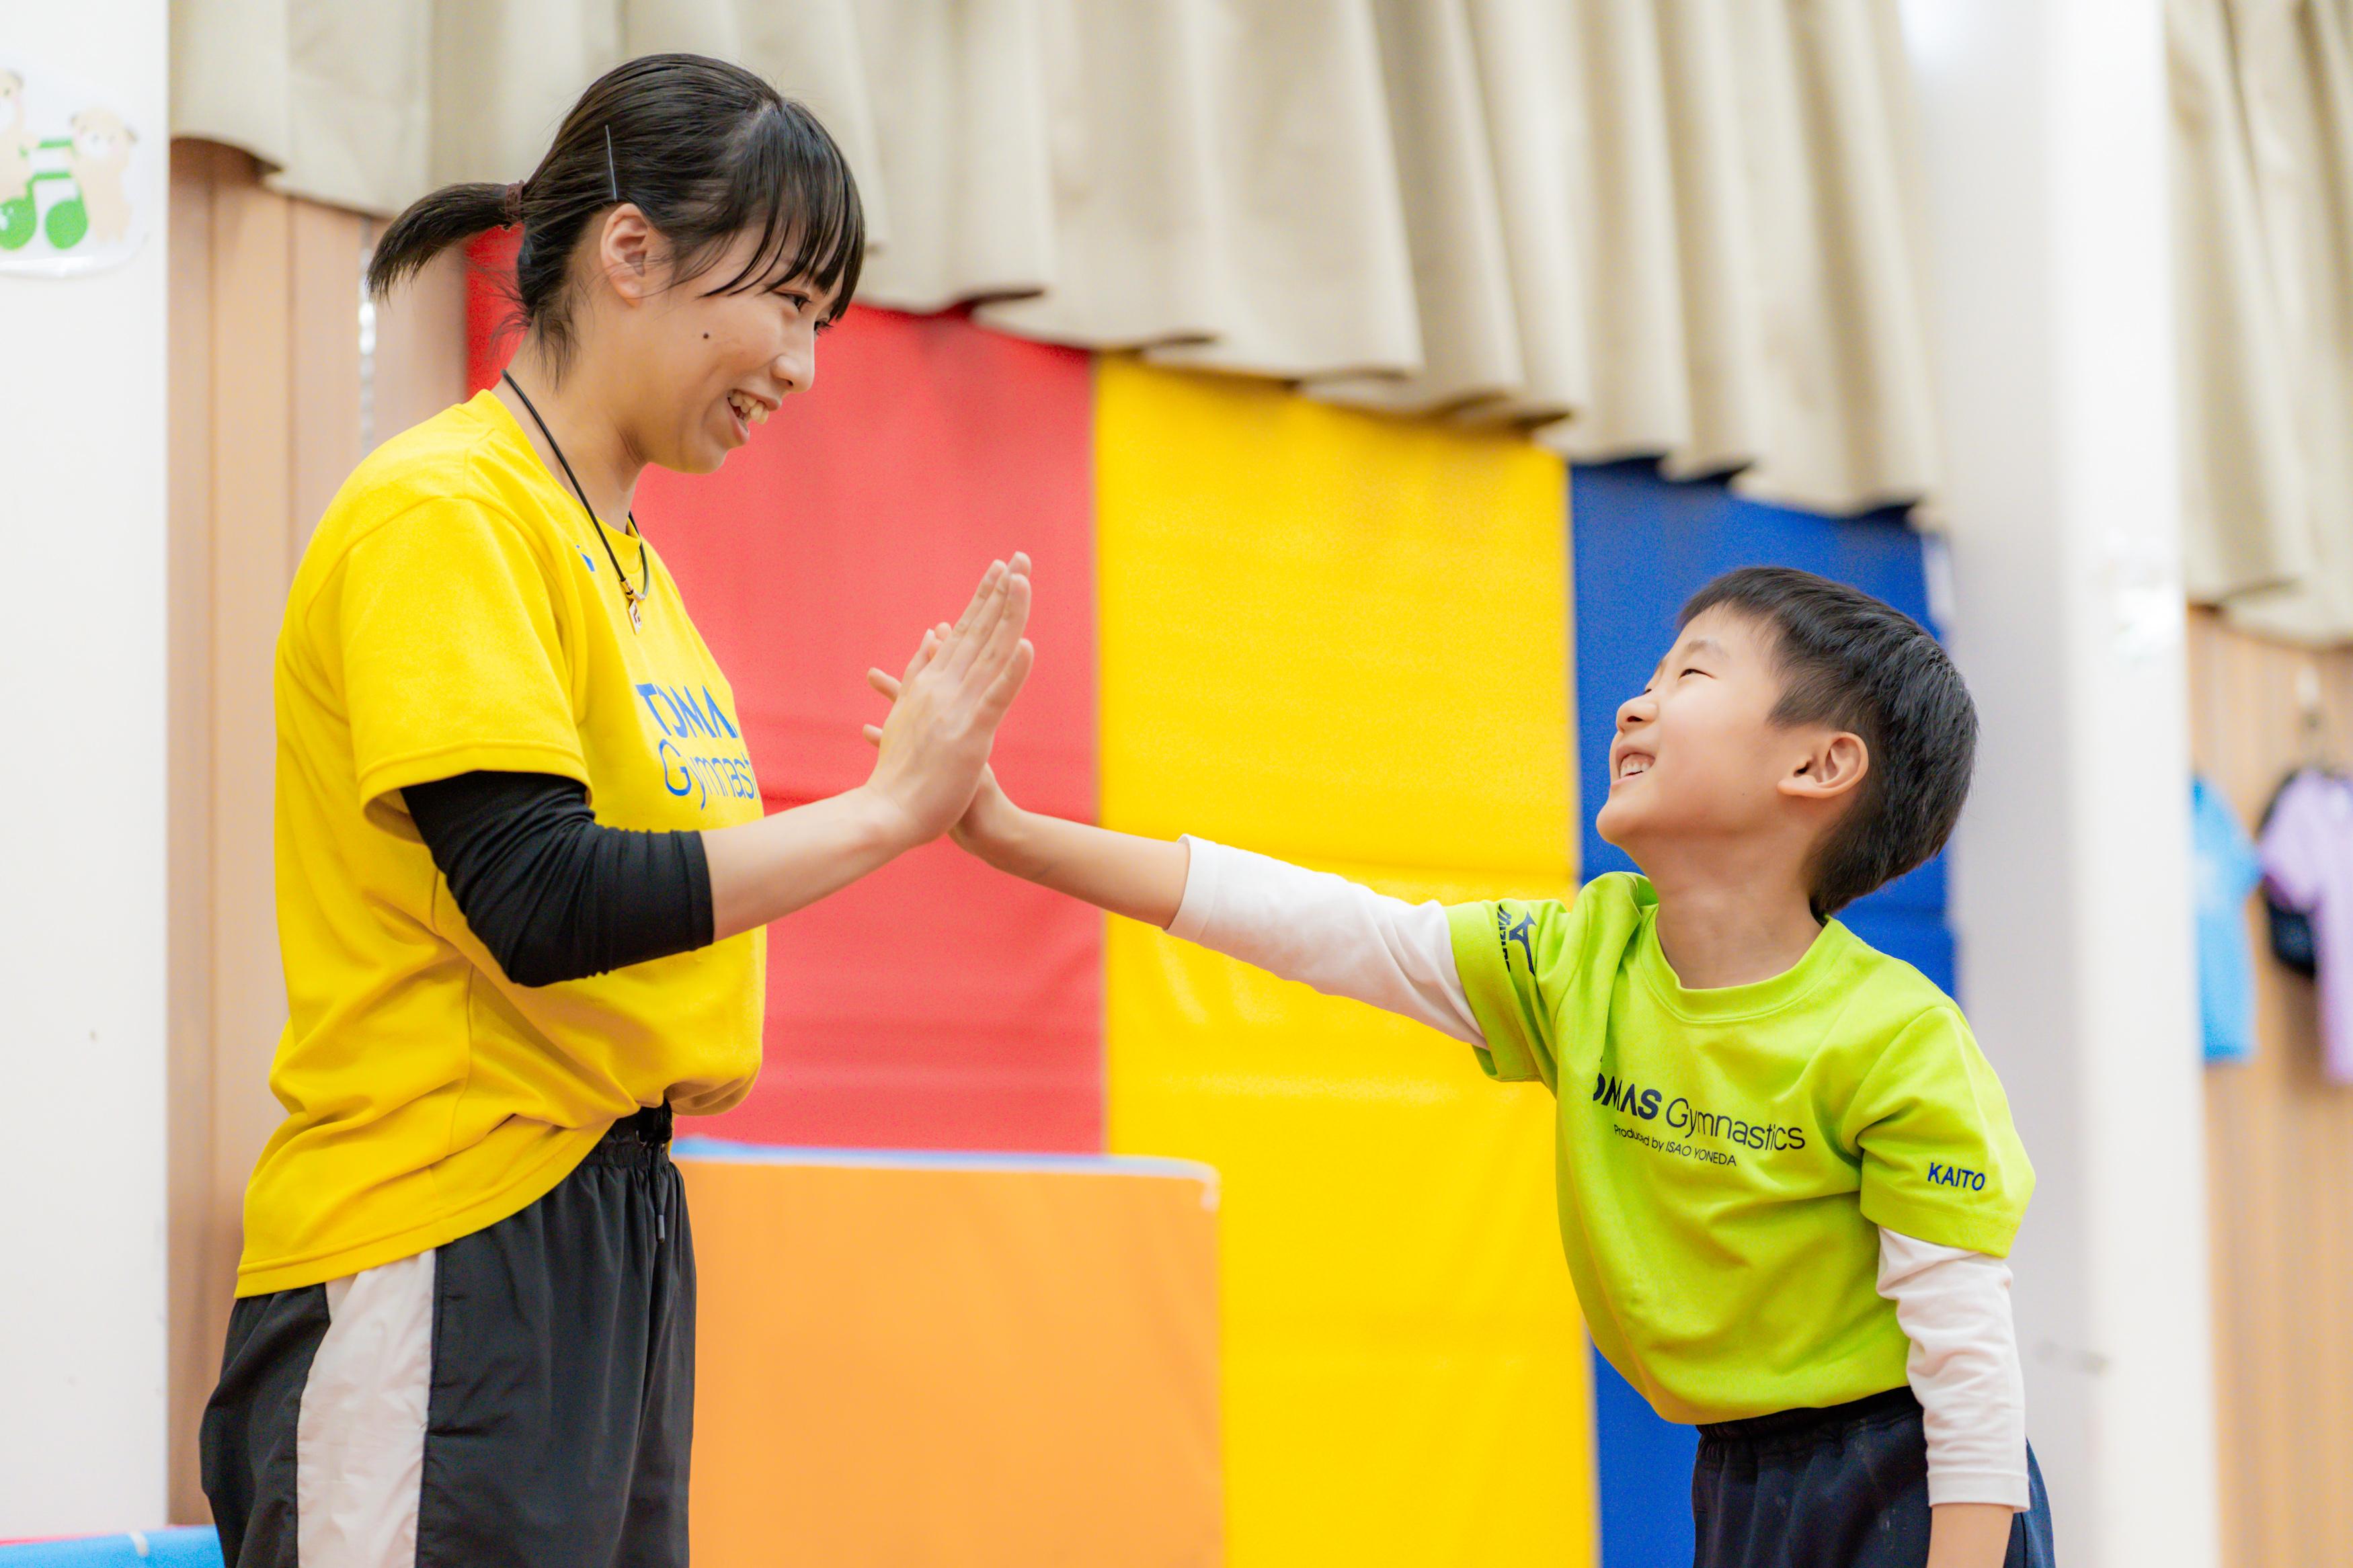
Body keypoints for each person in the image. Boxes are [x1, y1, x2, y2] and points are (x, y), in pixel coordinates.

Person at [198, 54, 1035, 1568]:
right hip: (443, 1227)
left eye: (822, 322)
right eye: (786, 302)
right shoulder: (447, 514)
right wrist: (884, 812)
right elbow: (536, 899)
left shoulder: (629, 566)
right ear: (632, 252)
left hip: (613, 1221)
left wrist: (904, 802)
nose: (800, 363)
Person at [878, 566, 2058, 1568]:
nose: (1636, 705)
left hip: (1919, 1484)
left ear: (1819, 767)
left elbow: (1969, 1368)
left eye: (1692, 676)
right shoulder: (1581, 961)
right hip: (1740, 1469)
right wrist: (1008, 831)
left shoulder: (1894, 1041)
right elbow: (1324, 923)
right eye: (1649, 676)